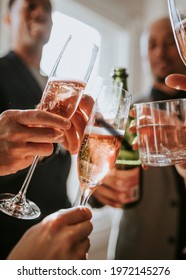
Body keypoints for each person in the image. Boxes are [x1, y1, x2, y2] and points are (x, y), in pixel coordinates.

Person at [0, 0, 94, 259]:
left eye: (46, 7)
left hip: (63, 246)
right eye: (30, 5)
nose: (40, 11)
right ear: (8, 19)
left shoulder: (58, 89)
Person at [92, 17, 186, 259]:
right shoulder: (125, 113)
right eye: (152, 45)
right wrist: (97, 189)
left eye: (169, 43)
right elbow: (97, 186)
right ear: (144, 55)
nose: (160, 52)